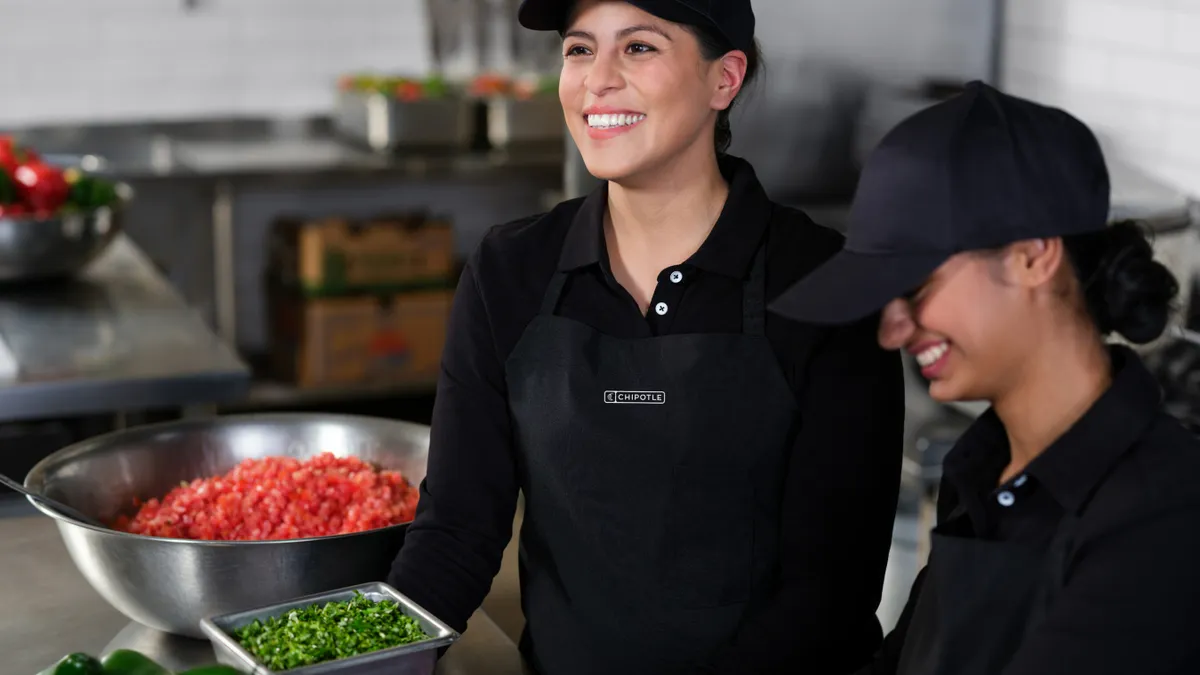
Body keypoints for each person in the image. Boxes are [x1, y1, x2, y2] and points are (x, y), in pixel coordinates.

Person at [387, 0, 906, 673]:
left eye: (638, 48)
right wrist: (364, 656)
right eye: (579, 49)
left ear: (725, 79)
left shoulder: (822, 283)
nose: (597, 78)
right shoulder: (511, 270)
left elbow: (830, 593)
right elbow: (455, 532)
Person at [770, 80, 1200, 675]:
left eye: (915, 287)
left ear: (1032, 255)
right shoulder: (984, 472)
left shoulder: (1162, 512)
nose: (893, 330)